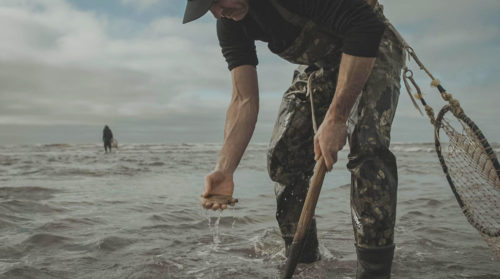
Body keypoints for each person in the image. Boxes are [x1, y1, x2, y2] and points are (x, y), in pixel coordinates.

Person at [184, 0, 404, 278]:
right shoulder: (229, 24)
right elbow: (243, 99)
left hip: (371, 46)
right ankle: (304, 263)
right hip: (322, 65)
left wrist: (336, 117)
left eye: (216, 1)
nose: (217, 12)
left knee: (367, 147)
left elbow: (364, 24)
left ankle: (373, 271)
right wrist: (224, 168)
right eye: (209, 9)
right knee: (282, 157)